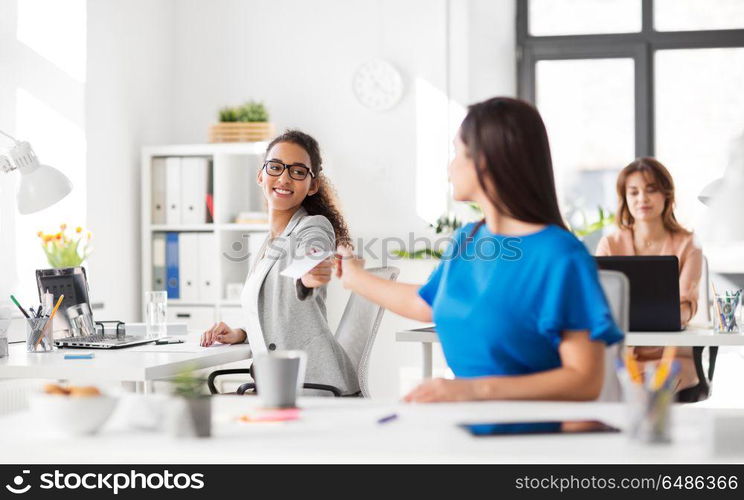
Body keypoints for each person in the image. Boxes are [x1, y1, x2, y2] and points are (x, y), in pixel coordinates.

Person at [336, 97, 623, 403]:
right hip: (470, 429)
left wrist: (474, 389)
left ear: (484, 159)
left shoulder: (561, 256)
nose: (450, 166)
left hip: (535, 439)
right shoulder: (469, 238)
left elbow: (585, 380)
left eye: (456, 152)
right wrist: (354, 277)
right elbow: (429, 303)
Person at [200, 130, 359, 395]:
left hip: (316, 386)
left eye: (298, 171)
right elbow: (277, 319)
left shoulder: (313, 225)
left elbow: (313, 251)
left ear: (312, 185)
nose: (284, 178)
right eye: (275, 167)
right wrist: (241, 333)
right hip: (281, 384)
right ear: (261, 175)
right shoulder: (269, 242)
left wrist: (310, 272)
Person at [596, 157, 703, 391]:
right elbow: (599, 304)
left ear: (667, 195)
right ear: (625, 198)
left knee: (644, 389)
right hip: (620, 357)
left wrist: (675, 316)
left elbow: (685, 305)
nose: (642, 198)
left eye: (651, 190)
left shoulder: (689, 245)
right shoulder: (610, 244)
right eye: (633, 192)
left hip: (672, 358)